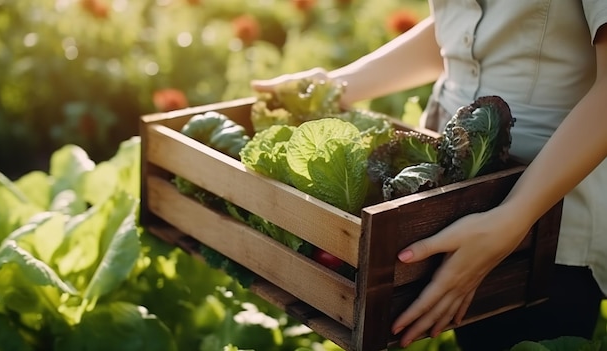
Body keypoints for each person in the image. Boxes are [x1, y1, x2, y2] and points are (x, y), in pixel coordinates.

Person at [251, 1, 607, 350]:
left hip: (548, 214)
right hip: (447, 192)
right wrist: (337, 84)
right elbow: (461, 29)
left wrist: (513, 217)